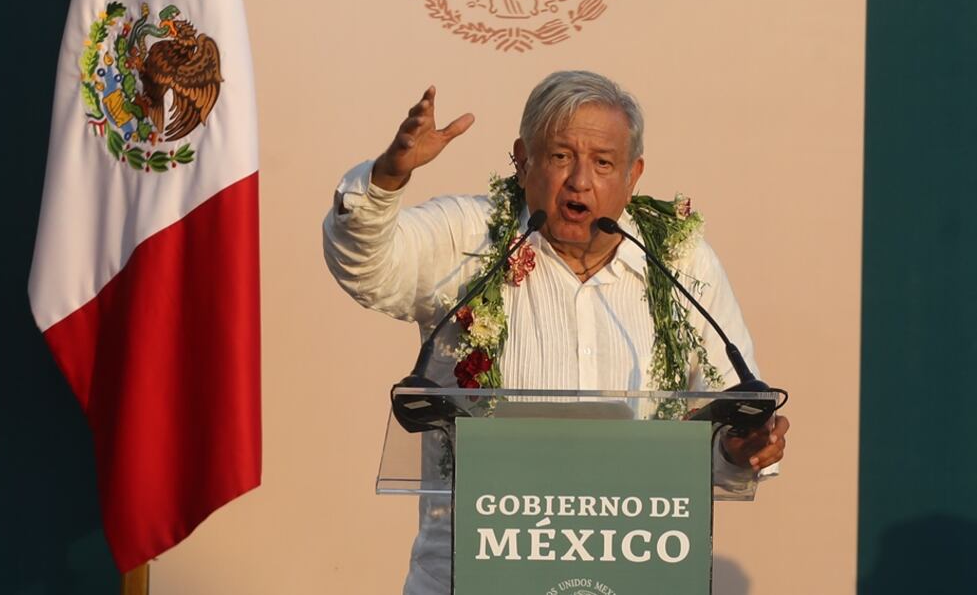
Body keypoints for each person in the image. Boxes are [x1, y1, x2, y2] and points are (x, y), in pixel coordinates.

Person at [322, 71, 789, 594]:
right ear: (523, 161)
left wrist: (740, 448)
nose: (580, 181)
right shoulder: (468, 237)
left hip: (638, 576)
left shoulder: (681, 262)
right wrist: (387, 179)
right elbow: (365, 266)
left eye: (603, 163)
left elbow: (728, 421)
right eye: (561, 156)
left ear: (633, 175)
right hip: (471, 578)